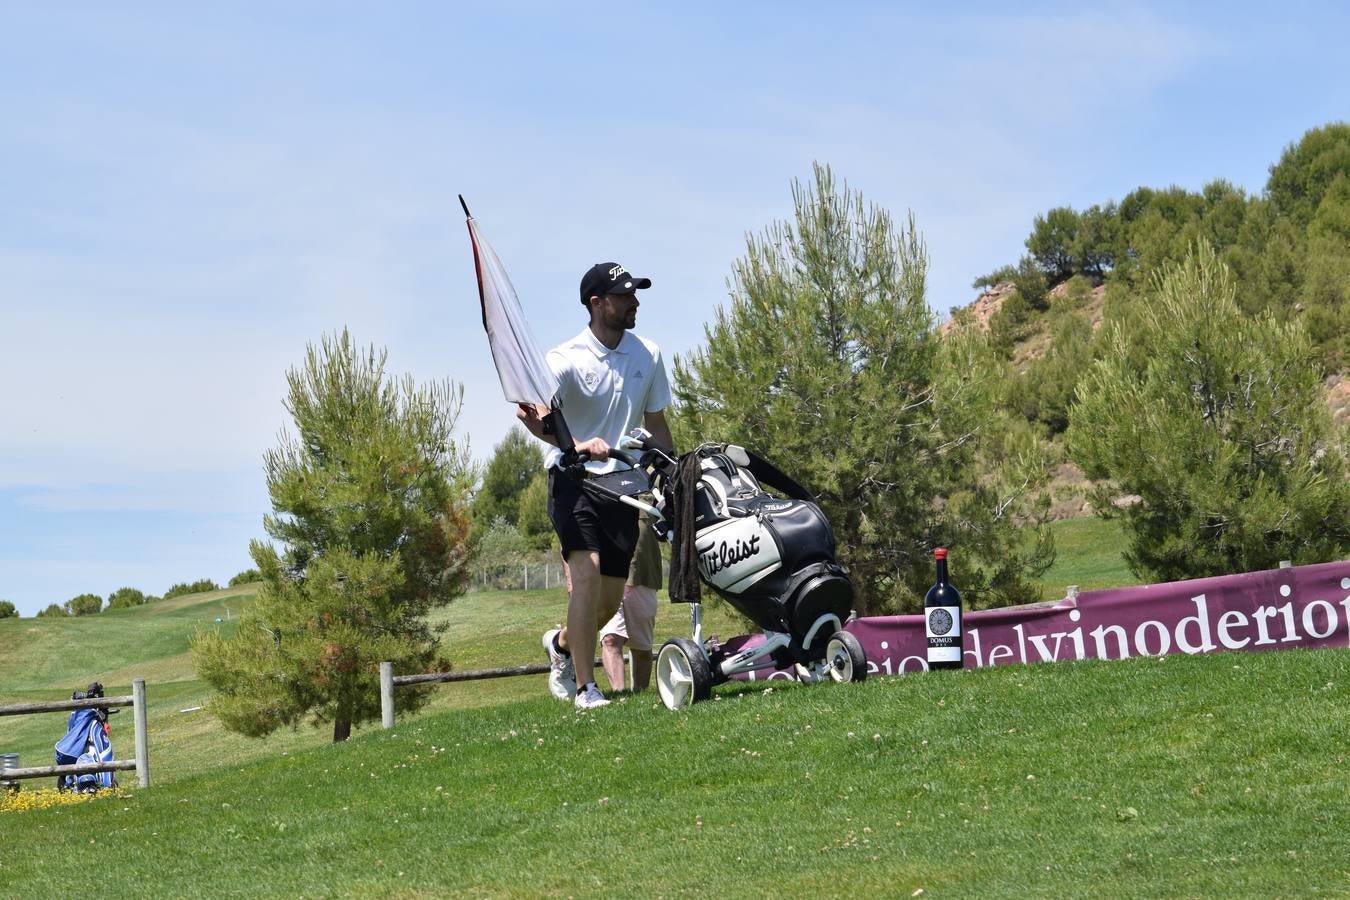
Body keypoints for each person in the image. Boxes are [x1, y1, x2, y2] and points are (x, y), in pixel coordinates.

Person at [516, 261, 674, 710]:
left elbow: (657, 422)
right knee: (584, 578)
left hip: (624, 485)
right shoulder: (564, 360)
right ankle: (587, 688)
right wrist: (578, 444)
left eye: (635, 294)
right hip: (574, 480)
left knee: (607, 604)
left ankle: (562, 646)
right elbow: (529, 413)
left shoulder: (649, 354)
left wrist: (669, 471)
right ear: (597, 303)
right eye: (625, 296)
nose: (634, 302)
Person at [599, 521, 662, 692]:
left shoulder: (647, 494)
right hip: (605, 571)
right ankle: (620, 695)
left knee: (642, 648)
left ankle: (640, 695)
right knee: (610, 639)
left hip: (642, 572)